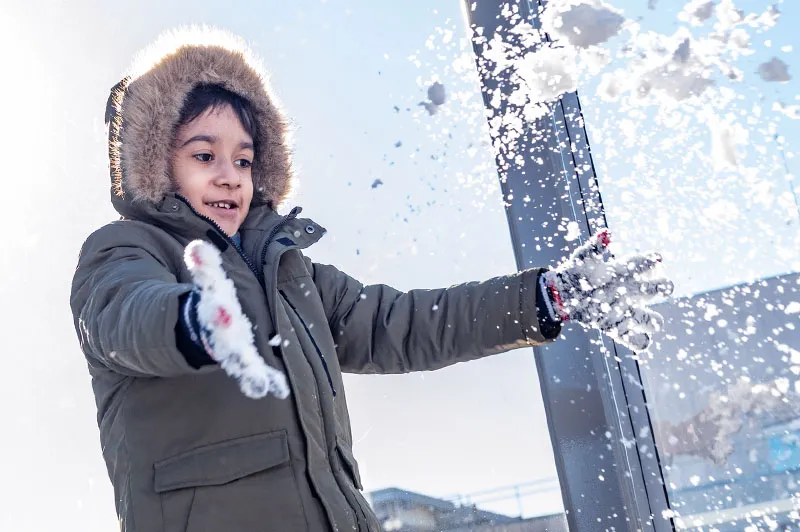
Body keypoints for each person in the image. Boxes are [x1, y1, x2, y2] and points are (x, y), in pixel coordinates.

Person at [70, 28, 673, 532]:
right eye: (205, 156)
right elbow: (123, 315)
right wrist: (195, 321)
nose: (230, 176)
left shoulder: (293, 278)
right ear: (157, 162)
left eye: (245, 160)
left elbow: (403, 324)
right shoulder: (127, 248)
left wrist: (542, 297)